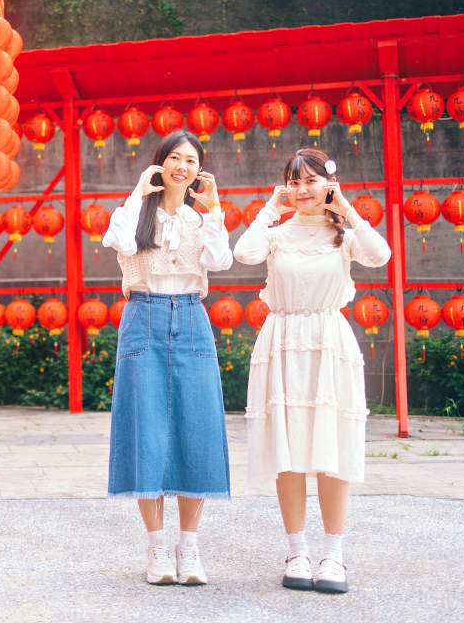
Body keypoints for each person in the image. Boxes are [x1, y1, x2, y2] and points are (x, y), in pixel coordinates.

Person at [232, 147, 391, 594]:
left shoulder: (343, 234)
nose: (302, 190)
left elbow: (380, 255)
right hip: (283, 340)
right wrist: (269, 208)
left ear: (328, 184)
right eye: (294, 182)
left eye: (311, 181)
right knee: (289, 451)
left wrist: (348, 210)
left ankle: (334, 554)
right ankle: (296, 550)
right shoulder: (277, 233)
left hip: (328, 342)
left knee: (332, 448)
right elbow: (242, 253)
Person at [101, 130, 234, 586]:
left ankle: (190, 547)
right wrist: (139, 191)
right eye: (173, 158)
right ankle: (157, 547)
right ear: (159, 165)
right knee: (146, 431)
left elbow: (220, 260)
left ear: (199, 170)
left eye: (190, 160)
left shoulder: (201, 221)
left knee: (196, 428)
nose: (182, 166)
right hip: (145, 317)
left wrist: (215, 207)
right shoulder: (136, 215)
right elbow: (115, 238)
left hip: (192, 318)